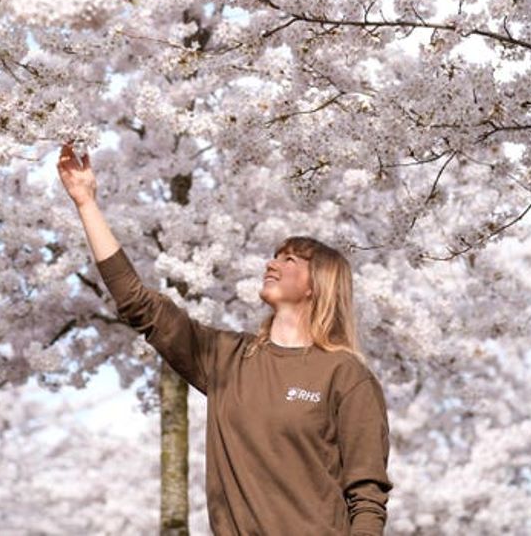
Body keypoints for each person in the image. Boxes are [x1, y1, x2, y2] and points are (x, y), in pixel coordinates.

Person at [56, 142, 394, 536]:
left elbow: (367, 496)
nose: (272, 263)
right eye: (275, 255)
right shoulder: (229, 359)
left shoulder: (345, 375)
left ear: (317, 285)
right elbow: (137, 303)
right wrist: (86, 203)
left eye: (289, 260)